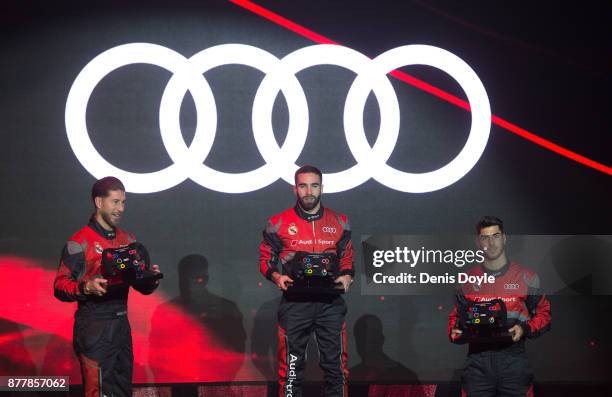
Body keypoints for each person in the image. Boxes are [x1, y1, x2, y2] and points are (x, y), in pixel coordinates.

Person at [54, 177, 161, 397]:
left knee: (122, 391)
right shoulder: (79, 242)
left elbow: (138, 283)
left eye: (123, 202)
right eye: (115, 202)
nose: (121, 208)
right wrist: (86, 288)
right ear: (99, 202)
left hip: (121, 325)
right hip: (94, 327)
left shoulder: (128, 238)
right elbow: (59, 286)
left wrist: (150, 280)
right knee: (98, 392)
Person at [259, 165, 354, 397]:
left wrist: (347, 275)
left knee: (336, 371)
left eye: (314, 185)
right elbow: (265, 260)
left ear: (322, 188)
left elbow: (347, 258)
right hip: (295, 304)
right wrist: (277, 276)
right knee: (291, 372)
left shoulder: (340, 222)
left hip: (330, 304)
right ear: (295, 189)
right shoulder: (277, 223)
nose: (308, 191)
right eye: (303, 186)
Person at [448, 216, 551, 397]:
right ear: (478, 242)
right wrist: (455, 332)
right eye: (485, 237)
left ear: (504, 238)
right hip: (477, 363)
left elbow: (545, 315)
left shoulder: (527, 277)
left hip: (513, 361)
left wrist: (524, 329)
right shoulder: (466, 280)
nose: (491, 243)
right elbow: (455, 319)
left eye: (495, 236)